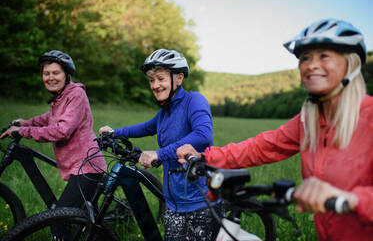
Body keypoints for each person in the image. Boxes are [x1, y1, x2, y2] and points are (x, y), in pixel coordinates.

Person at [176, 19, 373, 241]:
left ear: (351, 64)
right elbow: (264, 146)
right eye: (305, 58)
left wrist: (353, 198)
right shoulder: (310, 120)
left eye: (324, 56)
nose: (311, 65)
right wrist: (206, 157)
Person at [99, 49, 222, 240]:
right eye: (151, 80)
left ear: (179, 78)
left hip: (200, 200)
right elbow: (146, 127)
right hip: (173, 202)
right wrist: (114, 132)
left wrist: (159, 154)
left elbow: (203, 134)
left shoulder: (194, 101)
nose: (155, 85)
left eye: (160, 78)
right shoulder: (165, 111)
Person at [0, 50, 107, 240]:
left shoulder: (76, 94)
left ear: (66, 74)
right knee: (85, 224)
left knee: (59, 219)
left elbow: (61, 130)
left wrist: (23, 132)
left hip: (88, 167)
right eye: (46, 73)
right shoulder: (60, 97)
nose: (50, 77)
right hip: (78, 167)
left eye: (55, 73)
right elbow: (49, 118)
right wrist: (26, 123)